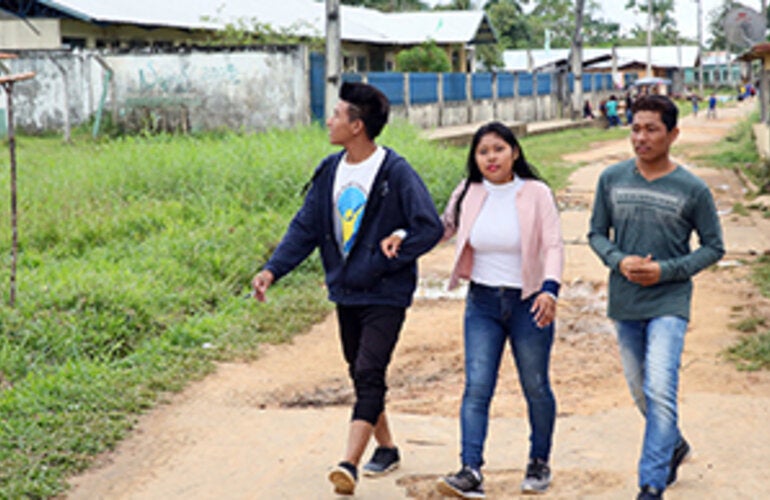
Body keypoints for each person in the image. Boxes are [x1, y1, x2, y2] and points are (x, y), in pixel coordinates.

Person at [251, 81, 443, 496]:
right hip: (346, 291)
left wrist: (398, 246)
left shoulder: (396, 172)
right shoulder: (329, 170)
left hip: (386, 292)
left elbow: (430, 226)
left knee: (370, 370)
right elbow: (304, 228)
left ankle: (348, 464)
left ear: (357, 125)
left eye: (337, 114)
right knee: (360, 372)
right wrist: (272, 270)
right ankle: (387, 448)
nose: (330, 120)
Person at [588, 95, 725, 500]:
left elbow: (714, 247)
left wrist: (666, 270)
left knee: (660, 387)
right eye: (635, 128)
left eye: (651, 129)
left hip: (670, 303)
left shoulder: (693, 189)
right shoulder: (611, 179)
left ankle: (651, 484)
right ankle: (674, 444)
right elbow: (596, 233)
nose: (641, 137)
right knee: (640, 389)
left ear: (673, 134)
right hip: (625, 300)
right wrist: (618, 260)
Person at [431, 122, 564, 498]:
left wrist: (550, 289)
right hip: (482, 304)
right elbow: (443, 229)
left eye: (498, 149)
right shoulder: (468, 192)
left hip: (530, 302)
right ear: (475, 158)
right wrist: (403, 236)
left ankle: (539, 462)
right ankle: (470, 470)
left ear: (515, 152)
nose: (491, 157)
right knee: (476, 387)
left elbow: (553, 245)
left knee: (535, 385)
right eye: (483, 151)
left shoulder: (536, 193)